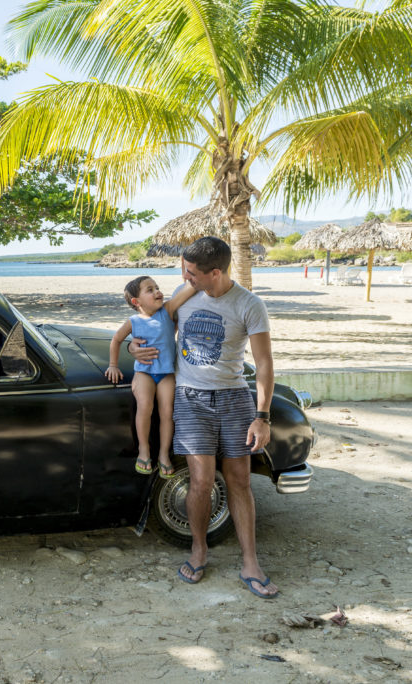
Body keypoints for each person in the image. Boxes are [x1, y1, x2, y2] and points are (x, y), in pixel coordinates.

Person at [130, 237, 277, 598]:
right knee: (200, 480)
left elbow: (264, 364)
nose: (185, 276)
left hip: (233, 398)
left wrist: (262, 416)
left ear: (215, 272)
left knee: (240, 480)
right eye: (184, 269)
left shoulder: (248, 304)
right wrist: (134, 346)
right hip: (191, 398)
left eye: (192, 273)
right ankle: (199, 550)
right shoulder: (184, 295)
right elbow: (151, 324)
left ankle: (250, 561)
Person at [105, 276, 197, 478]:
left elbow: (187, 291)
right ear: (136, 302)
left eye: (157, 287)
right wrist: (113, 365)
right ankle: (144, 449)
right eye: (150, 289)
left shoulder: (167, 311)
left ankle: (164, 453)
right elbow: (116, 339)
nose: (157, 291)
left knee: (167, 412)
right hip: (144, 373)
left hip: (166, 374)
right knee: (145, 407)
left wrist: (192, 277)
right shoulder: (133, 321)